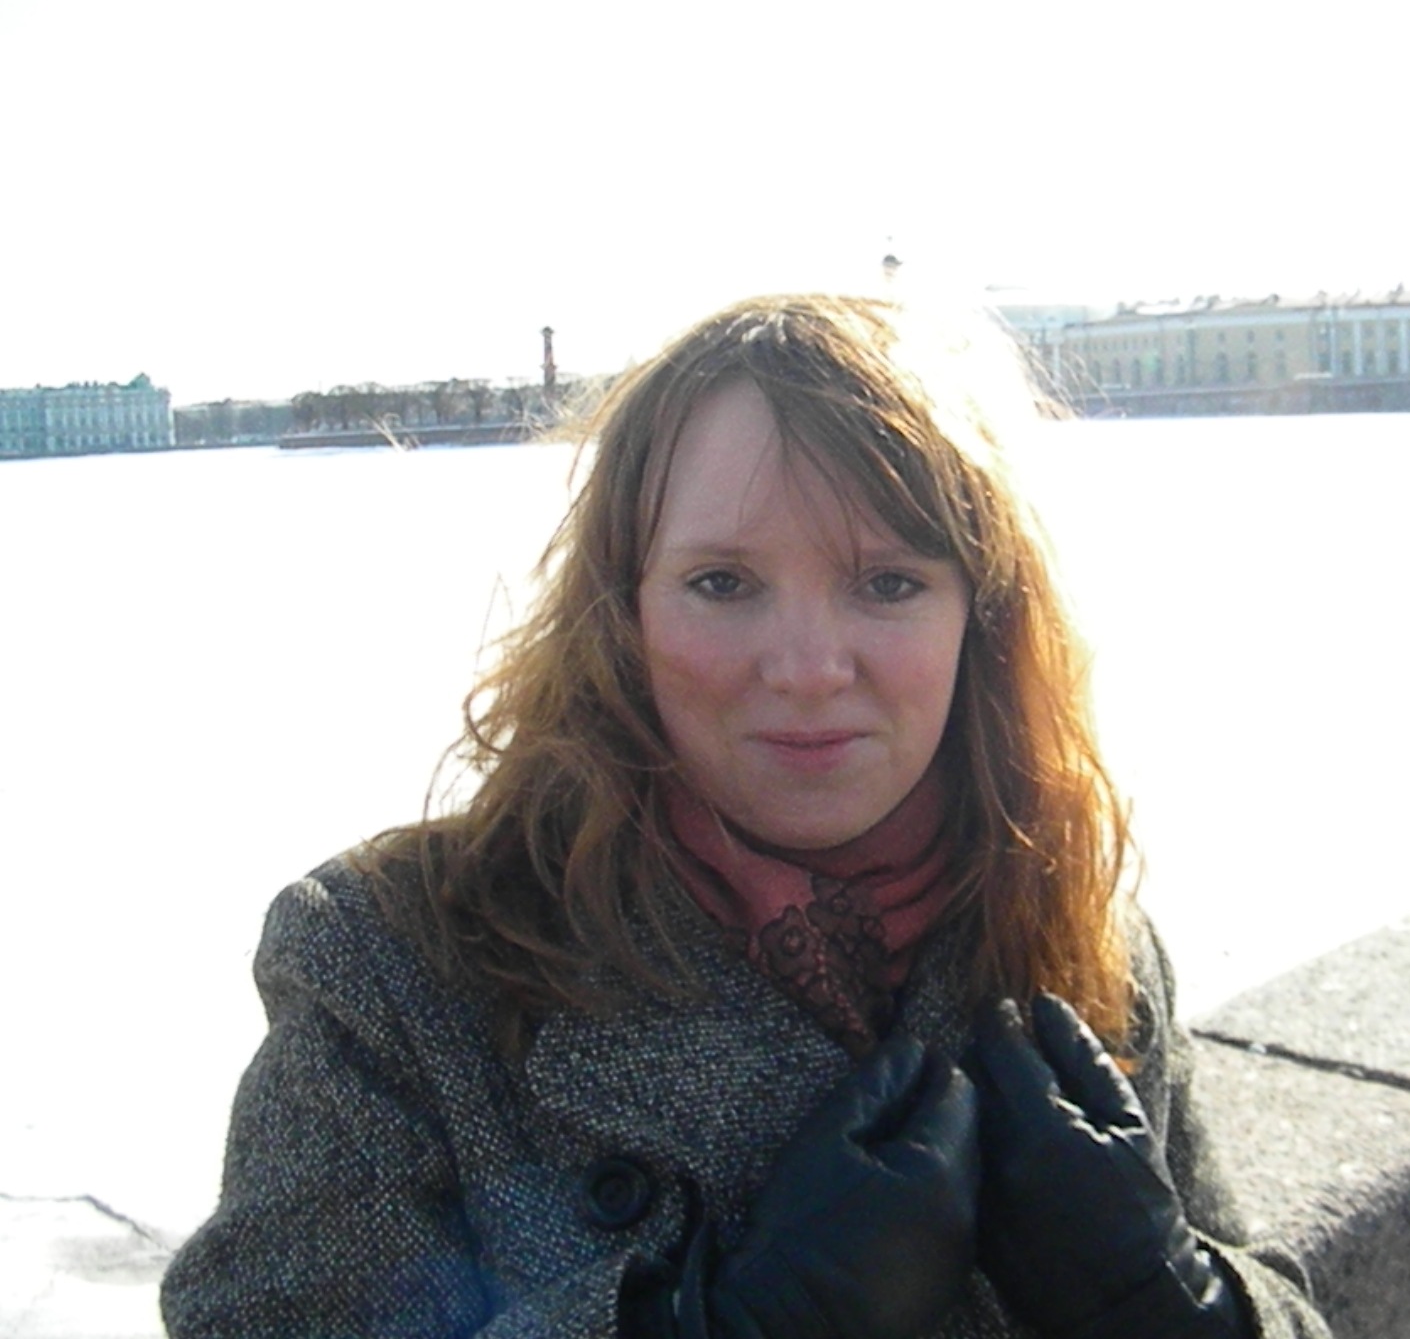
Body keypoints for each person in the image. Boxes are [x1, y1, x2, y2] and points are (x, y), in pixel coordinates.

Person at [160, 293, 1330, 1339]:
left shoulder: (1076, 930)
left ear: (981, 616)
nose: (809, 668)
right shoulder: (401, 964)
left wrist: (1174, 1307)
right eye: (722, 583)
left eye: (887, 582)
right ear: (622, 612)